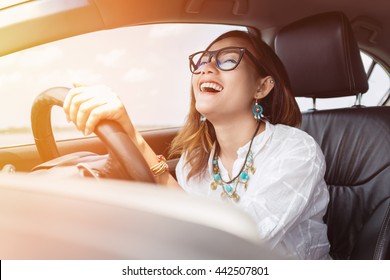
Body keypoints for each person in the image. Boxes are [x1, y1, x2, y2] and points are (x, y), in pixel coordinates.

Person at [63, 30, 330, 259]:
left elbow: (238, 246)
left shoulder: (296, 150)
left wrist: (131, 132)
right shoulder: (195, 158)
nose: (206, 68)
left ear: (261, 88)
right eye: (202, 61)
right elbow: (188, 218)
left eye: (227, 60)